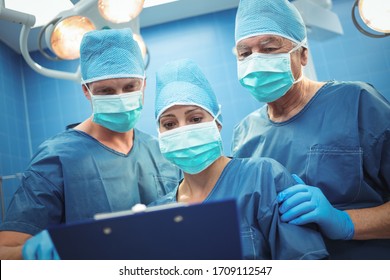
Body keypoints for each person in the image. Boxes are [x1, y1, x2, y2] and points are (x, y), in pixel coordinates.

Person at [0, 28, 181, 260]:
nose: (120, 97)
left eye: (129, 87)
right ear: (86, 91)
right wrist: (33, 253)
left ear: (143, 84)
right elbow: (5, 250)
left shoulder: (161, 151)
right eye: (106, 91)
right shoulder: (57, 157)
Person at [231, 0, 390, 259]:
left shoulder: (357, 102)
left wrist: (345, 222)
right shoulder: (245, 135)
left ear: (303, 53)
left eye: (270, 48)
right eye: (245, 53)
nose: (256, 60)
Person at [150, 58, 328, 259]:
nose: (183, 130)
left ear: (217, 122)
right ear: (160, 133)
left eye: (195, 119)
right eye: (169, 124)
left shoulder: (263, 177)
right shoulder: (157, 213)